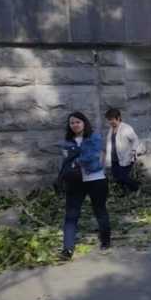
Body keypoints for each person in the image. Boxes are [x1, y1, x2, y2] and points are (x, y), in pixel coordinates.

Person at [61, 111, 111, 260]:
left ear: (84, 123)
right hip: (75, 182)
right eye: (72, 123)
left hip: (96, 180)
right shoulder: (68, 142)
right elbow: (66, 161)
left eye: (78, 122)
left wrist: (76, 160)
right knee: (71, 215)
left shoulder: (94, 137)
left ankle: (105, 241)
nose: (75, 125)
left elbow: (93, 156)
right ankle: (67, 248)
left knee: (100, 211)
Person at [104, 108, 144, 194]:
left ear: (118, 118)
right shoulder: (111, 129)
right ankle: (124, 193)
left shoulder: (126, 128)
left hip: (125, 157)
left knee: (123, 177)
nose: (110, 122)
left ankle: (137, 187)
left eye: (112, 119)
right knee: (116, 177)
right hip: (114, 159)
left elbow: (135, 139)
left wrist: (133, 150)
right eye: (109, 120)